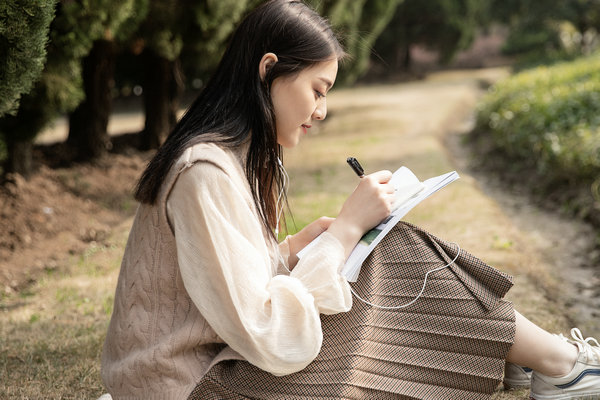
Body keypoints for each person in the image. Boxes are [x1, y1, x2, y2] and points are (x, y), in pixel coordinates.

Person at [100, 1, 600, 399]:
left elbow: (222, 287)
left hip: (212, 367)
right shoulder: (205, 172)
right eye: (317, 89)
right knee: (388, 254)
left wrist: (296, 248)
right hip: (193, 387)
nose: (320, 110)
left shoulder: (224, 161)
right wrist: (341, 234)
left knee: (381, 245)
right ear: (268, 70)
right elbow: (268, 330)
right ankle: (555, 364)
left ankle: (548, 360)